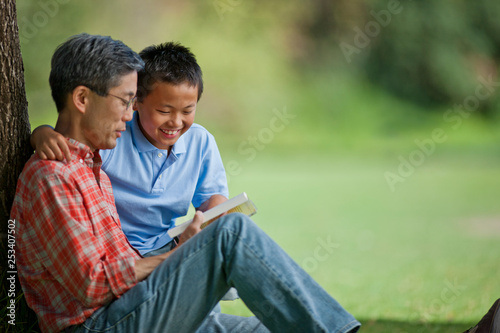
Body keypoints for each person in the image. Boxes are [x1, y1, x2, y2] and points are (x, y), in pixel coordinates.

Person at [12, 33, 361, 333]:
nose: (129, 114)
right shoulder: (52, 177)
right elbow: (92, 285)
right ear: (83, 99)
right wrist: (181, 255)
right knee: (231, 234)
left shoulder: (94, 168)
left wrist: (186, 257)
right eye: (125, 101)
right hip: (103, 324)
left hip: (135, 303)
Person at [31, 41, 228, 257]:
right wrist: (41, 133)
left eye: (187, 111)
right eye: (164, 111)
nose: (176, 122)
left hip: (168, 241)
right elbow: (71, 142)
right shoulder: (114, 136)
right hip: (117, 248)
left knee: (230, 242)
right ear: (135, 102)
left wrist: (215, 208)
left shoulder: (200, 141)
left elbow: (211, 197)